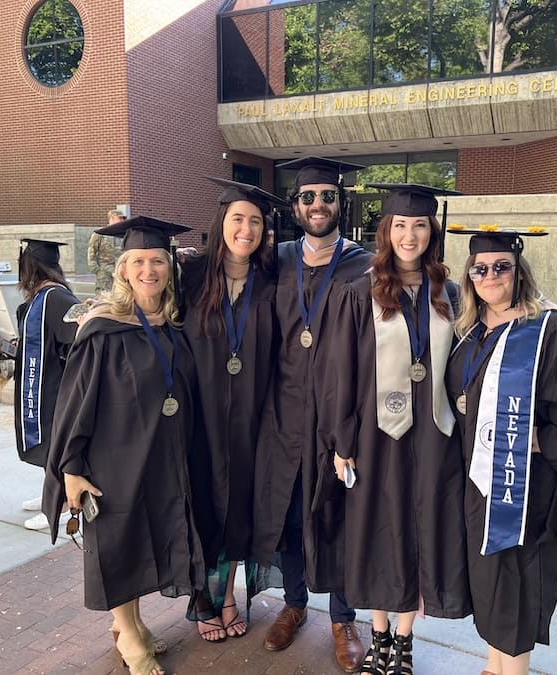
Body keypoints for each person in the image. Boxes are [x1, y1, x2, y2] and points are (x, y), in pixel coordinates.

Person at [445, 227, 557, 675]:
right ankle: (493, 665)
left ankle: (515, 670)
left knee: (521, 581)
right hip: (478, 480)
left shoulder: (550, 328)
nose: (491, 276)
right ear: (470, 277)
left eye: (501, 267)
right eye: (480, 269)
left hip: (524, 487)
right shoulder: (470, 331)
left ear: (518, 272)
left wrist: (544, 439)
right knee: (490, 578)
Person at [43, 216, 206, 675]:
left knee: (140, 542)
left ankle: (131, 625)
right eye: (137, 261)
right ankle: (129, 636)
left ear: (170, 267)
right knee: (118, 544)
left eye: (157, 260)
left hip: (159, 456)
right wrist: (70, 467)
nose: (148, 270)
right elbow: (74, 405)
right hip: (112, 460)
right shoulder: (102, 327)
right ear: (123, 269)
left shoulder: (173, 323)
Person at [320, 184, 472, 674]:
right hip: (375, 436)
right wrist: (342, 441)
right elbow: (341, 372)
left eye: (420, 224)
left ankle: (403, 641)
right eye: (401, 225)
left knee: (419, 530)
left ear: (433, 232)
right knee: (375, 529)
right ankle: (378, 634)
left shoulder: (449, 294)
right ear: (386, 230)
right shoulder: (359, 292)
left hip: (433, 435)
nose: (410, 235)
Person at [251, 156, 370, 672]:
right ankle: (295, 603)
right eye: (307, 197)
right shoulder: (273, 259)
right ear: (294, 206)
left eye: (327, 196)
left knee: (338, 513)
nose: (317, 205)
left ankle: (344, 617)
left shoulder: (365, 262)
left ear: (340, 202)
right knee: (291, 513)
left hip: (340, 411)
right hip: (282, 411)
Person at [180, 178, 285, 642]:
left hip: (249, 420)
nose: (246, 229)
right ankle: (204, 596)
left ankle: (227, 597)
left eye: (255, 221)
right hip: (198, 418)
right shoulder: (191, 275)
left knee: (239, 506)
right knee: (203, 503)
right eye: (238, 218)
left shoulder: (271, 280)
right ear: (221, 222)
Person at [13, 239, 79, 530]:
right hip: (41, 383)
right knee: (47, 441)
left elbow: (77, 340)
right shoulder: (39, 297)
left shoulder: (57, 297)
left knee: (56, 442)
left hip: (56, 386)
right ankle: (49, 493)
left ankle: (62, 502)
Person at [87, 209, 125, 294]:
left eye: (123, 218)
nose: (122, 220)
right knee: (103, 295)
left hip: (119, 270)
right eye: (120, 218)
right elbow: (92, 250)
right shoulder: (100, 233)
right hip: (104, 270)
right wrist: (96, 269)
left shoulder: (123, 234)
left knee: (119, 295)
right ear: (112, 218)